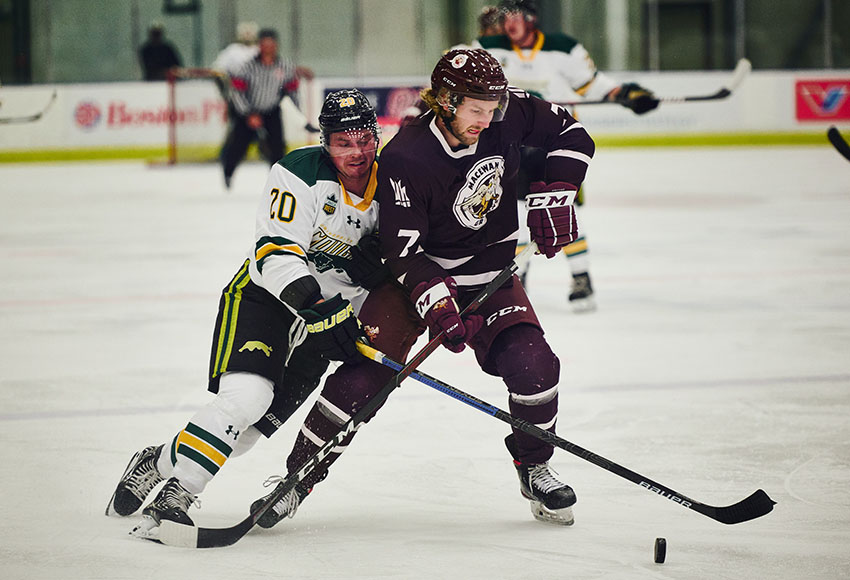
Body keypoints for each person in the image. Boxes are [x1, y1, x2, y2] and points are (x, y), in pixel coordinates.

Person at [106, 89, 422, 538]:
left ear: (377, 136)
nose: (356, 153)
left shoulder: (393, 186)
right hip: (266, 300)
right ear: (325, 142)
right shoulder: (299, 172)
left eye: (364, 140)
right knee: (245, 400)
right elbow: (274, 253)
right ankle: (178, 492)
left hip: (323, 326)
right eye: (342, 143)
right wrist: (320, 306)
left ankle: (157, 460)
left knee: (247, 433)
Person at [376, 48, 594, 526]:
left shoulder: (502, 113)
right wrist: (435, 298)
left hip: (493, 277)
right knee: (363, 376)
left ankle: (535, 466)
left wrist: (556, 189)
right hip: (422, 282)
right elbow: (401, 252)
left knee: (536, 368)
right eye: (477, 109)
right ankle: (302, 473)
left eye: (493, 107)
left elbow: (573, 132)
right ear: (446, 101)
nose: (489, 118)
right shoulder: (407, 154)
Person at [479, 0, 659, 312]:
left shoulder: (563, 47)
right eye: (505, 17)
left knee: (561, 210)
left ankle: (581, 277)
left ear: (531, 18)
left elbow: (594, 85)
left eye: (516, 16)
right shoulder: (490, 47)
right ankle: (518, 280)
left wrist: (628, 94)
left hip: (556, 145)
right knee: (516, 217)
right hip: (511, 149)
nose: (509, 24)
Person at [221, 28, 304, 189]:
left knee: (277, 148)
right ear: (259, 46)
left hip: (272, 112)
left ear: (276, 46)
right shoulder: (247, 66)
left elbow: (292, 90)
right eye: (264, 44)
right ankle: (228, 172)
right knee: (238, 146)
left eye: (271, 44)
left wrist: (297, 112)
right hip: (248, 113)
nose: (268, 48)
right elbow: (237, 92)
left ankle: (278, 180)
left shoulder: (285, 66)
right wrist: (248, 113)